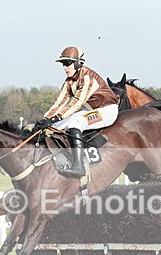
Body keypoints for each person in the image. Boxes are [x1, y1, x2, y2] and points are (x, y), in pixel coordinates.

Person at [33, 46, 120, 178]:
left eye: (67, 63)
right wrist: (46, 119)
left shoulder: (88, 78)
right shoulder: (69, 81)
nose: (64, 67)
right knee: (55, 127)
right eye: (63, 64)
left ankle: (78, 166)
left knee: (76, 121)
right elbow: (60, 102)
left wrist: (56, 117)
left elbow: (77, 103)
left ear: (78, 63)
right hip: (91, 110)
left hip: (107, 110)